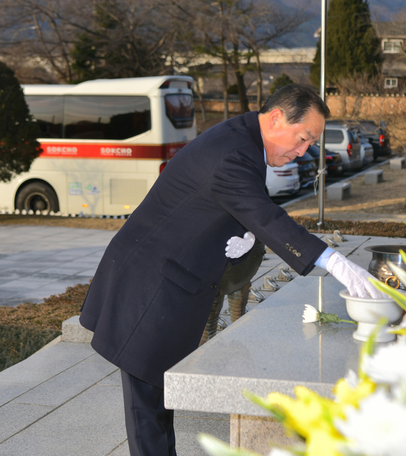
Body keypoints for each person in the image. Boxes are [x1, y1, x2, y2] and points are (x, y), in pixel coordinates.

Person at [79, 84, 384, 456]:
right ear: (276, 118)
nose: (304, 151)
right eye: (303, 138)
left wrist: (245, 239)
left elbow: (233, 208)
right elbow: (265, 216)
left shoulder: (244, 138)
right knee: (148, 408)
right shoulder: (233, 153)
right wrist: (333, 261)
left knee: (156, 402)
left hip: (166, 278)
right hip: (148, 285)